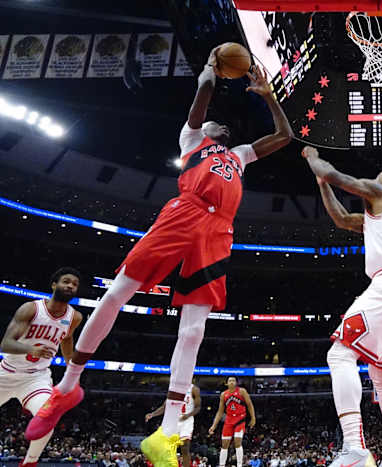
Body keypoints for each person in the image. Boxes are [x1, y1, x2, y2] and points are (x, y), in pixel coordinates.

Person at [26, 46, 293, 467]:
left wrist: (268, 96)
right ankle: (67, 386)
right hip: (183, 214)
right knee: (116, 294)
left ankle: (167, 432)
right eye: (213, 122)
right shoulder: (193, 139)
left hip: (218, 230)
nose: (219, 123)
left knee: (193, 332)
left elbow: (285, 137)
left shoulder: (238, 155)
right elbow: (202, 97)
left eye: (222, 123)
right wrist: (210, 68)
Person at [301, 146, 382, 467]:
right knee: (379, 369)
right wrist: (322, 183)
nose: (374, 178)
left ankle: (355, 447)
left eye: (380, 177)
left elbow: (337, 176)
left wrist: (313, 160)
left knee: (339, 354)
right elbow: (340, 219)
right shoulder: (380, 218)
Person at [0, 267, 83, 467]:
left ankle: (30, 462)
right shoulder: (31, 308)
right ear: (54, 285)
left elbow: (67, 338)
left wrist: (70, 366)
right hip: (7, 373)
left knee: (47, 419)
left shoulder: (75, 317)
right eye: (66, 281)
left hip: (36, 378)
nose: (70, 285)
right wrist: (31, 349)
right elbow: (6, 344)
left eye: (74, 284)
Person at [146, 383, 202, 467]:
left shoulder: (194, 389)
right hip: (173, 420)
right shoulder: (173, 389)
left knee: (185, 447)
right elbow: (165, 407)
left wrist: (188, 415)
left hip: (186, 420)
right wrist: (152, 414)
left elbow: (198, 407)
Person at [209, 377, 256, 467]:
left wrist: (253, 418)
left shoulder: (242, 391)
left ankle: (239, 465)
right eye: (230, 381)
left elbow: (250, 404)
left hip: (240, 419)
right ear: (226, 383)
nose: (231, 382)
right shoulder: (223, 394)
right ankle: (222, 465)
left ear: (236, 383)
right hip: (229, 420)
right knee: (224, 444)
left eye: (233, 381)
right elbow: (220, 411)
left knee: (237, 442)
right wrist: (214, 426)